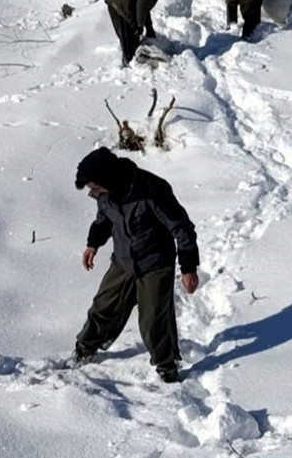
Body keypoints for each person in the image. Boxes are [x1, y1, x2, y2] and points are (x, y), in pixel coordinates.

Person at [72, 146, 200, 384]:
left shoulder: (152, 190)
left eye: (95, 187)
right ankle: (84, 349)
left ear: (108, 179)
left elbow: (181, 227)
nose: (94, 193)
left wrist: (189, 268)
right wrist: (93, 244)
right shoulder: (105, 195)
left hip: (155, 262)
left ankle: (167, 366)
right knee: (103, 306)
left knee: (153, 321)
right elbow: (104, 220)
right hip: (123, 260)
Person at [103, 0, 176, 66]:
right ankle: (129, 66)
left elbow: (145, 7)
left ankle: (133, 61)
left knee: (132, 40)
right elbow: (142, 4)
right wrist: (140, 25)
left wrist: (148, 27)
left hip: (123, 7)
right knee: (128, 41)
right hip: (120, 7)